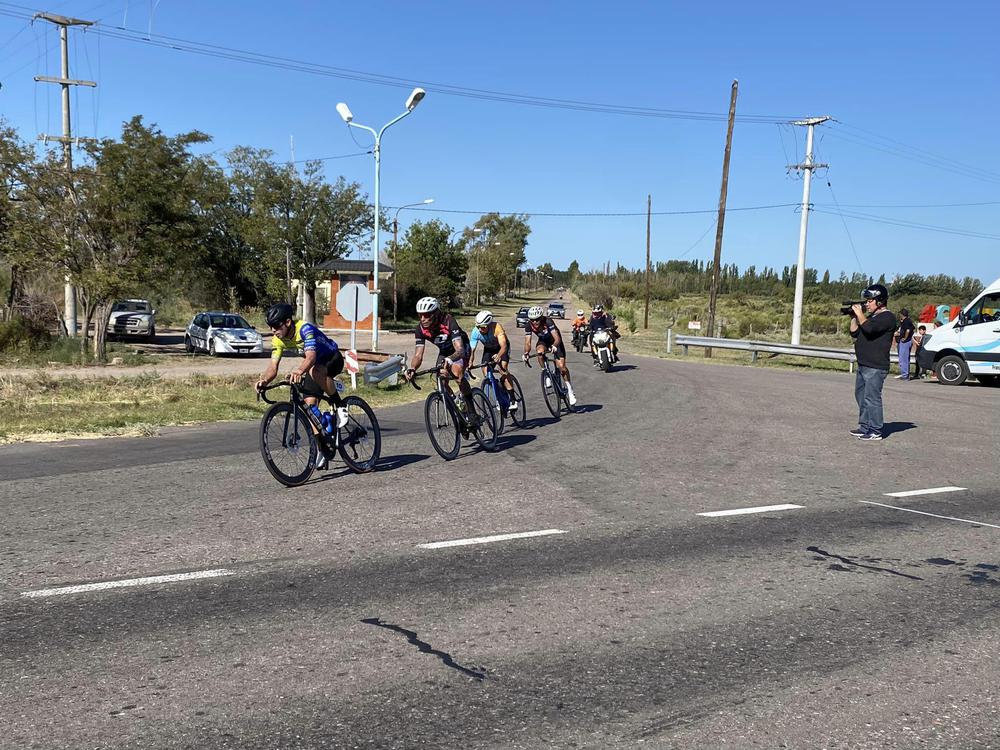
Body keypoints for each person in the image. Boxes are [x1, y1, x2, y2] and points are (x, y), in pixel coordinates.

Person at [255, 302, 348, 469]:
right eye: (270, 327)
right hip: (313, 367)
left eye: (276, 326)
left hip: (332, 359)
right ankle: (322, 447)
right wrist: (264, 381)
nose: (273, 330)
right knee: (309, 408)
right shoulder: (278, 340)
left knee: (314, 370)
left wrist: (298, 371)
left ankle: (340, 405)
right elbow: (273, 368)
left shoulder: (305, 329)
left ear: (288, 322)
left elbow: (311, 356)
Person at [403, 296, 480, 427]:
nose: (423, 319)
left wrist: (451, 359)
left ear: (436, 313)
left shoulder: (448, 320)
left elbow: (460, 350)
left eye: (426, 315)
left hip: (460, 348)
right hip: (444, 351)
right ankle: (458, 405)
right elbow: (418, 355)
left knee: (457, 373)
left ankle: (472, 413)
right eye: (420, 315)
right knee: (440, 379)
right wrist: (412, 369)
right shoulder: (420, 329)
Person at [849, 284, 897, 441]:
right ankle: (864, 426)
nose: (867, 304)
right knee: (861, 397)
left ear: (880, 301)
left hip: (875, 367)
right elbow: (855, 332)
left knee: (872, 398)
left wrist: (861, 314)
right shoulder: (871, 317)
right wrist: (854, 317)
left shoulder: (887, 317)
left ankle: (875, 429)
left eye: (870, 301)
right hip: (864, 365)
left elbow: (869, 329)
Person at [522, 304, 577, 406]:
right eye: (532, 320)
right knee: (539, 351)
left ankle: (570, 390)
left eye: (537, 319)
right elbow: (528, 342)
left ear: (541, 317)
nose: (535, 322)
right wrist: (526, 353)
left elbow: (557, 338)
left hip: (555, 341)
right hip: (543, 341)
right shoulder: (528, 325)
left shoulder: (548, 321)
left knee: (562, 367)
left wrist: (555, 346)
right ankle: (546, 372)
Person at [469, 309, 519, 414]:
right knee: (486, 371)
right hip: (489, 349)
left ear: (489, 324)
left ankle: (513, 399)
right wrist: (470, 362)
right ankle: (496, 387)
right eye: (478, 327)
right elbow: (471, 350)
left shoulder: (497, 328)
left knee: (502, 369)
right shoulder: (475, 332)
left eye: (483, 327)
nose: (480, 330)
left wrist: (499, 356)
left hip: (502, 349)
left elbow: (504, 346)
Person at [894, 308, 915, 380]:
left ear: (902, 314)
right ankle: (905, 374)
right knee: (905, 358)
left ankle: (905, 375)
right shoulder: (907, 321)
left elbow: (908, 330)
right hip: (906, 341)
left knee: (903, 359)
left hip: (905, 342)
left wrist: (905, 338)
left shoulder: (906, 321)